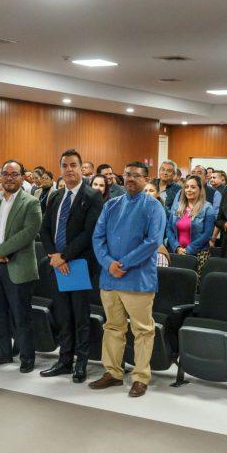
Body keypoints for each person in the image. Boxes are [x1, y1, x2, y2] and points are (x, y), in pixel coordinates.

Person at [89, 161, 166, 397]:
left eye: (136, 175)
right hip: (110, 278)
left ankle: (140, 377)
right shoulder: (111, 204)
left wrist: (122, 264)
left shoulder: (153, 207)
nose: (130, 178)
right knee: (112, 327)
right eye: (127, 174)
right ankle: (113, 373)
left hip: (137, 280)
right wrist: (108, 263)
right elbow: (97, 237)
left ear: (146, 179)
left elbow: (153, 242)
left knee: (142, 330)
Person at [40, 150, 104, 382]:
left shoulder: (92, 195)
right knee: (63, 316)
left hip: (78, 264)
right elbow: (45, 229)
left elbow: (89, 233)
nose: (69, 169)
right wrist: (54, 256)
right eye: (65, 165)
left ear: (81, 168)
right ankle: (64, 361)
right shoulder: (56, 196)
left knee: (80, 317)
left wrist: (64, 256)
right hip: (57, 264)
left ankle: (81, 363)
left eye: (73, 165)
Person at [0, 160, 42, 372]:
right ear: (0, 176)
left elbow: (29, 232)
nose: (9, 178)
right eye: (6, 174)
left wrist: (2, 250)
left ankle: (27, 357)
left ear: (22, 177)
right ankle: (3, 353)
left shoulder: (31, 202)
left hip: (18, 266)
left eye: (14, 174)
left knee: (21, 316)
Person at [167, 175, 217, 259]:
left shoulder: (207, 208)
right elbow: (169, 229)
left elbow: (207, 233)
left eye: (193, 187)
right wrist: (177, 247)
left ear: (200, 189)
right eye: (186, 187)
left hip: (199, 254)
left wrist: (189, 249)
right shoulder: (177, 206)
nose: (189, 190)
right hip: (177, 252)